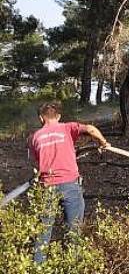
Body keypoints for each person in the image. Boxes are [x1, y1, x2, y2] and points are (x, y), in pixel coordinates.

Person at [28, 101, 111, 263]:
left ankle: (37, 267)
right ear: (58, 116)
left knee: (42, 233)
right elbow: (91, 129)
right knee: (73, 232)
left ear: (41, 118)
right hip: (70, 186)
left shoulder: (34, 137)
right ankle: (72, 266)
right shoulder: (67, 127)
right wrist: (103, 143)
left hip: (46, 188)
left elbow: (35, 164)